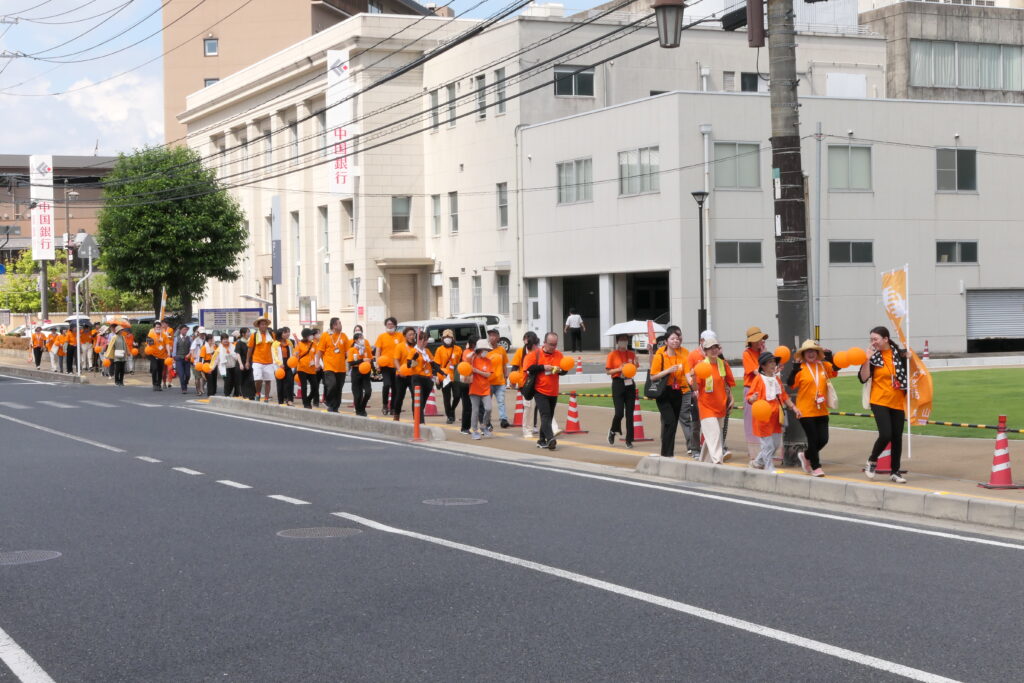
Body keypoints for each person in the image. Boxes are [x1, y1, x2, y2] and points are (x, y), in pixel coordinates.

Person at [858, 326, 909, 484]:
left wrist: (912, 358)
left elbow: (911, 374)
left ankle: (895, 472)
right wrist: (866, 359)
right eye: (871, 339)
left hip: (897, 400)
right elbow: (863, 378)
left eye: (876, 339)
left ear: (885, 339)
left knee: (897, 438)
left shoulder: (899, 355)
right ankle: (872, 461)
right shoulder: (873, 357)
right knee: (886, 434)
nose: (873, 342)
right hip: (879, 400)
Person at [788, 339, 837, 477]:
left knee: (823, 439)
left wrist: (831, 357)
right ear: (803, 354)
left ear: (817, 353)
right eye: (807, 351)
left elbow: (835, 370)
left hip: (821, 409)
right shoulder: (801, 368)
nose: (811, 354)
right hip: (805, 410)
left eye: (813, 351)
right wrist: (794, 369)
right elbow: (790, 384)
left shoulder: (823, 365)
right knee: (813, 439)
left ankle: (806, 455)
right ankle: (816, 466)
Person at [747, 351, 800, 472]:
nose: (773, 364)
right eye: (770, 362)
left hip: (776, 418)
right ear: (763, 366)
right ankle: (768, 467)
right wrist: (752, 398)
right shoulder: (758, 379)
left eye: (774, 362)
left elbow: (784, 396)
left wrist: (794, 407)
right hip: (763, 418)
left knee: (775, 444)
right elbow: (749, 398)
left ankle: (757, 462)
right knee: (768, 445)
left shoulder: (776, 379)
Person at [691, 334, 735, 464]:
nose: (714, 350)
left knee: (712, 436)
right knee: (715, 434)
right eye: (710, 348)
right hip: (706, 406)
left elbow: (727, 383)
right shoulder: (702, 366)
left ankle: (704, 461)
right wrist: (693, 376)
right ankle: (718, 460)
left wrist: (731, 399)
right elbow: (695, 388)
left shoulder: (723, 364)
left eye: (716, 347)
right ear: (705, 351)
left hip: (720, 406)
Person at [522, 332, 568, 450]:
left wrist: (560, 370)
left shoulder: (559, 355)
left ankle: (541, 440)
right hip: (539, 390)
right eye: (551, 344)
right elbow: (528, 368)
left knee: (549, 416)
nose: (553, 347)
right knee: (545, 415)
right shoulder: (536, 354)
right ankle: (550, 439)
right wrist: (543, 367)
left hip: (553, 391)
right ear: (544, 343)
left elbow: (565, 370)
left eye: (555, 344)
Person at [649, 327, 690, 458]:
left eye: (677, 339)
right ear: (666, 341)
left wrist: (692, 383)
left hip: (677, 391)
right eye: (672, 339)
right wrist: (668, 371)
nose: (675, 341)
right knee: (670, 421)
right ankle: (666, 453)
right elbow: (653, 376)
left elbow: (688, 373)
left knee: (671, 424)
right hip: (663, 392)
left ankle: (667, 453)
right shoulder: (660, 355)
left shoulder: (683, 355)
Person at [606, 333, 638, 449]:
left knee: (630, 414)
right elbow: (608, 371)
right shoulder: (612, 355)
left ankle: (629, 440)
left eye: (625, 339)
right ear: (617, 341)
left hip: (630, 383)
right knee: (619, 413)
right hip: (618, 383)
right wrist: (619, 369)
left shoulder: (631, 354)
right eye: (621, 339)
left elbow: (635, 369)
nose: (624, 341)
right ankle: (613, 430)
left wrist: (635, 364)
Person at [742, 326, 769, 463]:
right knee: (751, 422)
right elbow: (757, 371)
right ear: (751, 341)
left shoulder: (763, 352)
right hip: (751, 389)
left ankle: (767, 452)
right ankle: (754, 453)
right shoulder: (747, 353)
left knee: (765, 420)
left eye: (761, 339)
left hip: (764, 389)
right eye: (757, 340)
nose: (760, 342)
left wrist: (764, 353)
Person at [316, 318, 350, 413]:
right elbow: (320, 351)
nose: (341, 325)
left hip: (341, 368)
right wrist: (317, 362)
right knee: (332, 385)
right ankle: (330, 403)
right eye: (339, 323)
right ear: (334, 325)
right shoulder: (325, 336)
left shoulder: (344, 336)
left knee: (339, 388)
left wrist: (351, 360)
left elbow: (348, 351)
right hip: (329, 367)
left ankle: (335, 407)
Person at [404, 330, 435, 425]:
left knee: (423, 401)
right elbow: (409, 365)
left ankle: (418, 418)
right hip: (417, 378)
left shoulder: (427, 351)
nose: (425, 342)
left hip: (427, 379)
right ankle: (419, 422)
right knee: (418, 400)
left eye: (426, 340)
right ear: (419, 341)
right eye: (424, 340)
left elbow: (432, 363)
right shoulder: (414, 351)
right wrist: (414, 358)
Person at [375, 317, 404, 415]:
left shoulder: (400, 336)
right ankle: (384, 404)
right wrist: (377, 364)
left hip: (396, 366)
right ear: (385, 325)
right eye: (388, 324)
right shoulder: (381, 336)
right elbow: (378, 351)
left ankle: (393, 408)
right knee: (386, 384)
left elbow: (403, 349)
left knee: (395, 387)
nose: (390, 326)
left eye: (392, 324)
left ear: (395, 325)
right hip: (385, 365)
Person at [434, 328, 463, 424]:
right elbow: (436, 366)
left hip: (456, 374)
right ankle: (449, 416)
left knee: (457, 395)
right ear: (442, 338)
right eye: (445, 337)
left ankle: (452, 410)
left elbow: (461, 363)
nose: (447, 339)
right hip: (444, 375)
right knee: (446, 397)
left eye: (449, 337)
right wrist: (438, 376)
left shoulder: (458, 349)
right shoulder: (439, 350)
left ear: (453, 338)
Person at [247, 316, 276, 402]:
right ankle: (258, 393)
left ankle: (266, 397)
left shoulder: (271, 335)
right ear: (259, 326)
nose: (264, 326)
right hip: (257, 361)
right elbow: (250, 349)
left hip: (269, 361)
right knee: (258, 379)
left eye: (265, 324)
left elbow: (275, 347)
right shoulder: (254, 335)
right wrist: (247, 361)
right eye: (262, 324)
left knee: (268, 381)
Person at [468, 339, 494, 440]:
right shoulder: (473, 359)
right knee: (475, 410)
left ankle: (483, 426)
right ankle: (474, 431)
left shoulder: (488, 361)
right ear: (480, 349)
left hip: (485, 389)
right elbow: (466, 358)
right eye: (485, 349)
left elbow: (488, 374)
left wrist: (477, 371)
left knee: (488, 408)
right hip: (474, 388)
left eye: (487, 349)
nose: (486, 351)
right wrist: (472, 354)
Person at [486, 328, 510, 429]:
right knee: (487, 404)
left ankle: (503, 419)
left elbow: (504, 364)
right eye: (490, 335)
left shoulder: (501, 350)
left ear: (498, 337)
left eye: (494, 335)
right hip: (488, 382)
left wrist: (506, 376)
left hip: (500, 381)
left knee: (501, 401)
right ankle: (487, 421)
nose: (491, 337)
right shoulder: (485, 350)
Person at [348, 332, 374, 416]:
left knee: (368, 392)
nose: (362, 340)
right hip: (356, 372)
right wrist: (362, 360)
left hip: (366, 373)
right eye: (360, 338)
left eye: (362, 338)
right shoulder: (352, 350)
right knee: (358, 395)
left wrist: (375, 371)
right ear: (355, 340)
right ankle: (359, 411)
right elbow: (351, 363)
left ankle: (362, 407)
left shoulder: (366, 349)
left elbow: (371, 360)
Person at [456, 335, 476, 435]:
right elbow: (467, 360)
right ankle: (465, 427)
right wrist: (474, 353)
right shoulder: (467, 352)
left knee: (477, 406)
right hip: (466, 381)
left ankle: (477, 427)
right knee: (467, 405)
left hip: (476, 382)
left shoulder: (479, 353)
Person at [295, 329, 319, 409]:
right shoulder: (299, 344)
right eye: (310, 335)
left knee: (315, 386)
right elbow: (295, 355)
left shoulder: (314, 344)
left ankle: (308, 399)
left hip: (311, 369)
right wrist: (296, 354)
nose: (312, 336)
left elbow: (318, 354)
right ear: (305, 336)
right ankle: (305, 403)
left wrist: (317, 364)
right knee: (304, 386)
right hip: (302, 368)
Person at [272, 327, 295, 406]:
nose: (287, 334)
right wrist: (279, 363)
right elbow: (274, 355)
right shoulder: (275, 343)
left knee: (290, 382)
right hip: (279, 366)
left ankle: (290, 400)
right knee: (280, 384)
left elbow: (293, 352)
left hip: (288, 365)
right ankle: (280, 401)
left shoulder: (290, 342)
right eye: (285, 332)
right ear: (280, 334)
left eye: (288, 332)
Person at [104, 322, 132, 386]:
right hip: (117, 355)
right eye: (121, 330)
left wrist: (128, 352)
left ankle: (121, 381)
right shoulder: (114, 337)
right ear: (118, 331)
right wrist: (108, 354)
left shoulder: (123, 337)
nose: (122, 331)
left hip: (123, 355)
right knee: (117, 369)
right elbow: (111, 346)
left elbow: (125, 345)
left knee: (122, 369)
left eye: (122, 330)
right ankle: (117, 381)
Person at [146, 321, 169, 390]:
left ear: (161, 328)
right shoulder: (151, 334)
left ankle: (159, 384)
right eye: (157, 327)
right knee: (155, 368)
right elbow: (148, 344)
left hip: (162, 355)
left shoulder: (164, 335)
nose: (158, 328)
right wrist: (149, 343)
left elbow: (167, 344)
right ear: (154, 328)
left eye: (159, 327)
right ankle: (154, 384)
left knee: (160, 370)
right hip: (153, 355)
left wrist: (169, 353)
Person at [172, 325, 193, 394]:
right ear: (180, 330)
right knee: (181, 374)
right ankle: (183, 388)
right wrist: (174, 357)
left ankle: (185, 382)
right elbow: (174, 348)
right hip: (179, 358)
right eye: (184, 329)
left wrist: (190, 354)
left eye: (186, 330)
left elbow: (191, 348)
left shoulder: (189, 338)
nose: (185, 331)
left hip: (187, 358)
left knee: (187, 374)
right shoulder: (176, 338)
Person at [235, 327, 254, 399]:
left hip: (250, 362)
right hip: (242, 363)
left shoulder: (250, 342)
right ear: (243, 334)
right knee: (243, 379)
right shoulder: (239, 343)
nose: (249, 333)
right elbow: (238, 354)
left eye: (249, 332)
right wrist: (240, 364)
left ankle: (251, 395)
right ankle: (245, 394)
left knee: (250, 379)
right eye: (248, 332)